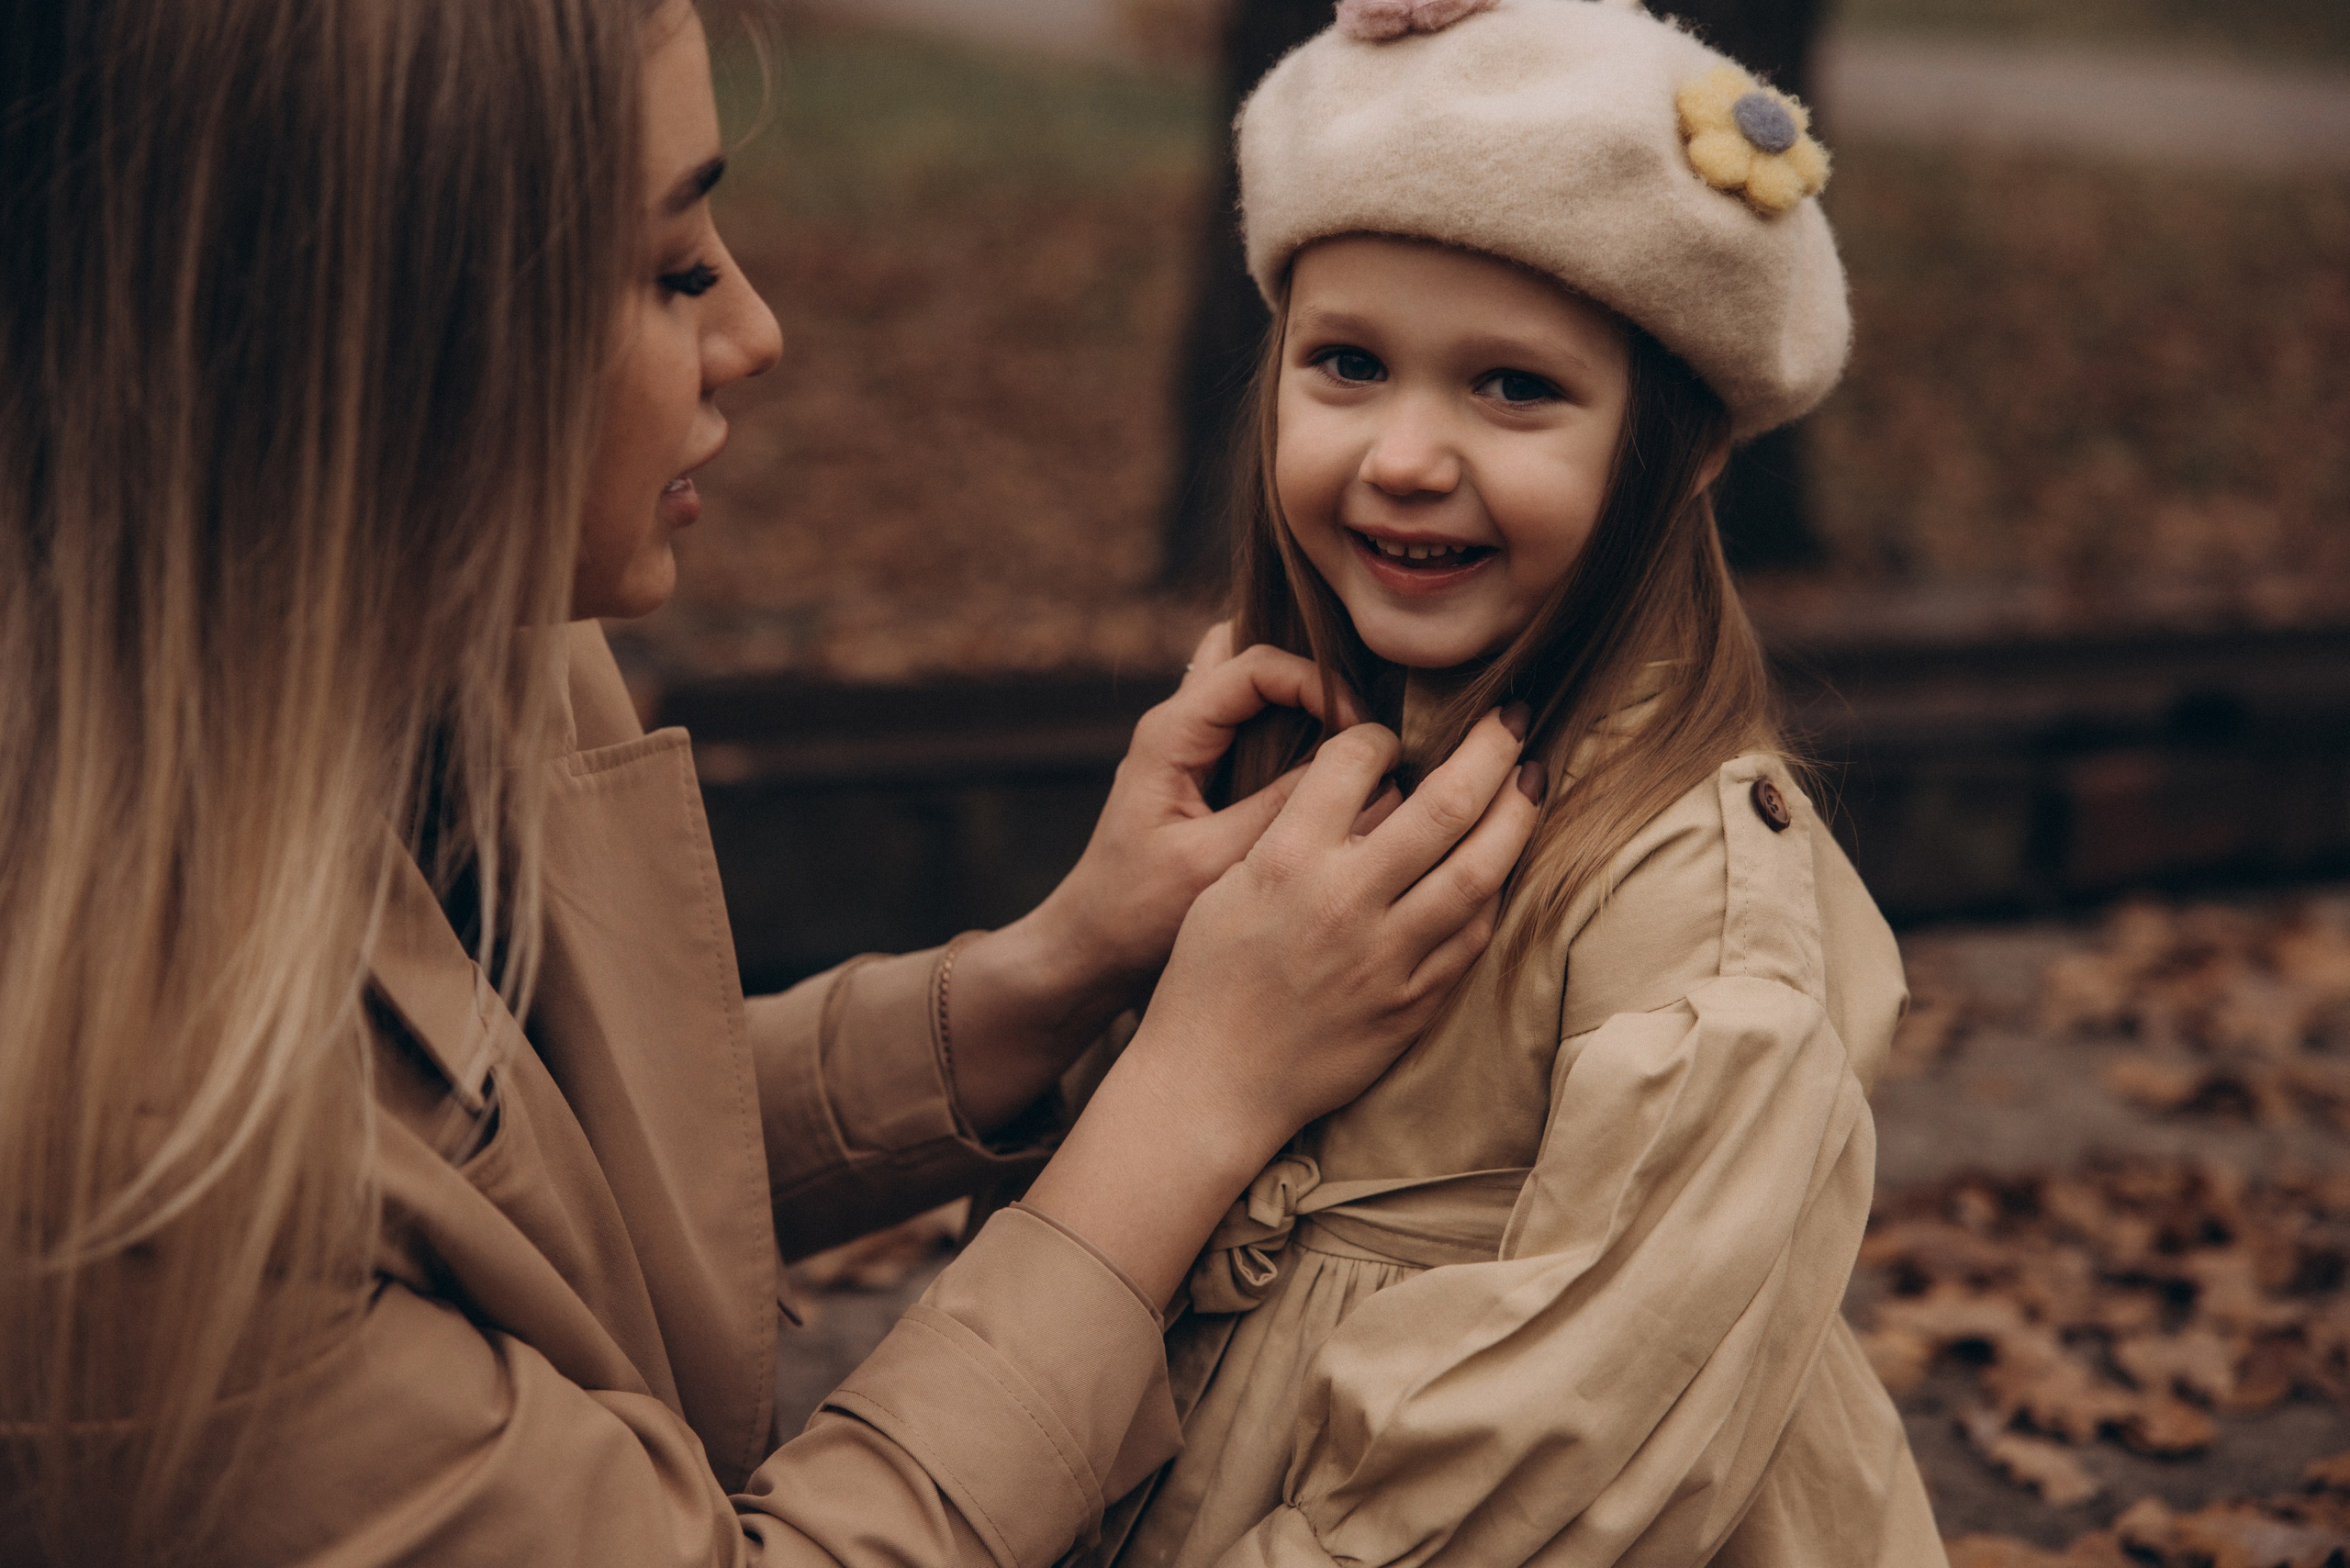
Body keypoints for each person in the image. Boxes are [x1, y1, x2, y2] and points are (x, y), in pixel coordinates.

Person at [0, 1, 1546, 1562]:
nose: (755, 331)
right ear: (369, 345)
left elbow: (538, 1170)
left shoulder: (454, 638)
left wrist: (1054, 972)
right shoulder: (108, 1151)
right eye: (674, 271)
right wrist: (1194, 1100)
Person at [1085, 1, 1947, 1562]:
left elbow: (1578, 1410)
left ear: (1678, 452)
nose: (1406, 455)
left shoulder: (1689, 884)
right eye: (1348, 364)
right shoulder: (1267, 750)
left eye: (1513, 389)